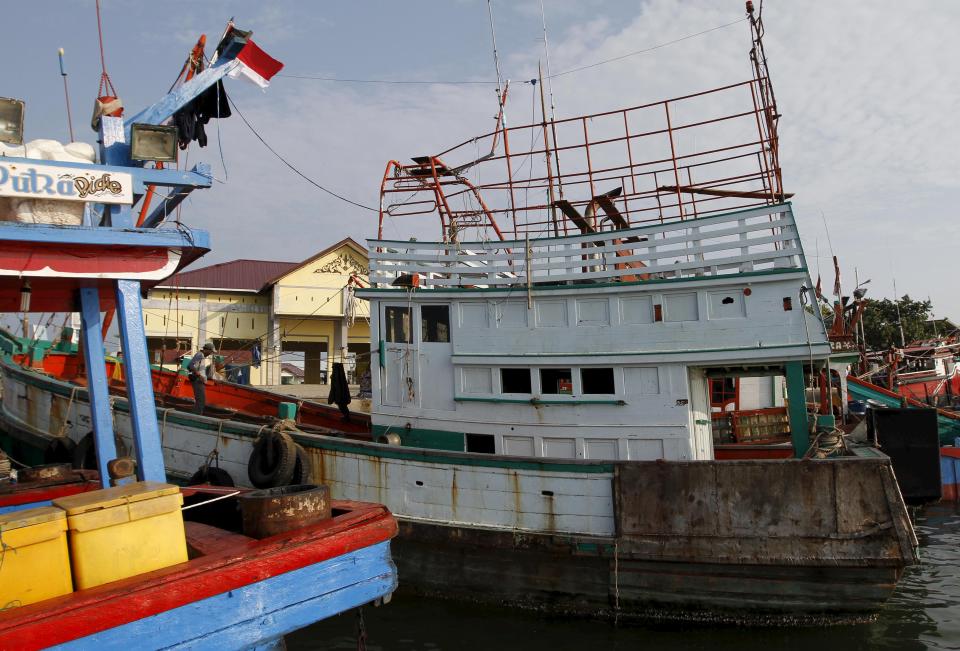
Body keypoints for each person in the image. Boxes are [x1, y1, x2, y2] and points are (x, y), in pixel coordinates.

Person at [188, 342, 215, 415]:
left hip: (199, 380)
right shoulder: (200, 355)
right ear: (207, 350)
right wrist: (200, 376)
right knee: (201, 400)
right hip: (198, 380)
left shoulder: (201, 355)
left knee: (201, 400)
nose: (211, 354)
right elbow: (190, 365)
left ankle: (196, 414)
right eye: (211, 352)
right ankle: (196, 416)